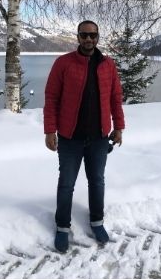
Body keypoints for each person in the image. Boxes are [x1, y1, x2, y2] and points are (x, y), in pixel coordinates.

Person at [43, 20, 125, 253]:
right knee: (66, 184)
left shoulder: (107, 64)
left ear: (98, 37)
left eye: (93, 35)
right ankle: (62, 227)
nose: (89, 39)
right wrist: (50, 131)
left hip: (99, 137)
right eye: (84, 35)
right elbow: (51, 99)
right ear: (77, 37)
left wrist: (118, 126)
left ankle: (97, 221)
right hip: (70, 138)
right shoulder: (63, 63)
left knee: (97, 181)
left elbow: (115, 98)